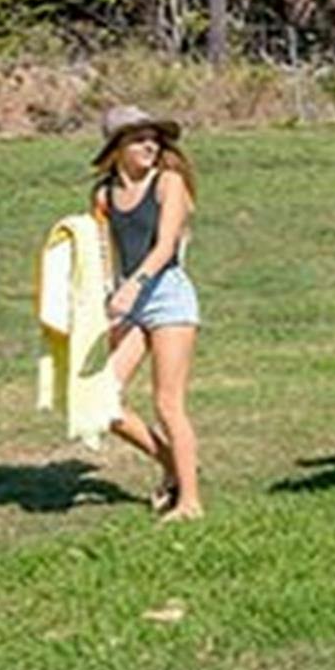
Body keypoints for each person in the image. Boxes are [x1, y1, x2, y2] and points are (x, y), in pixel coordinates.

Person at [91, 104, 203, 523]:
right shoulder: (103, 195)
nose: (150, 146)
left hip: (168, 294)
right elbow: (104, 253)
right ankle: (174, 466)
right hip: (129, 299)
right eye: (139, 139)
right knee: (102, 400)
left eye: (153, 139)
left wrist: (132, 288)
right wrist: (107, 297)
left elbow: (165, 246)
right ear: (117, 148)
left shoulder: (168, 183)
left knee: (167, 403)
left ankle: (190, 502)